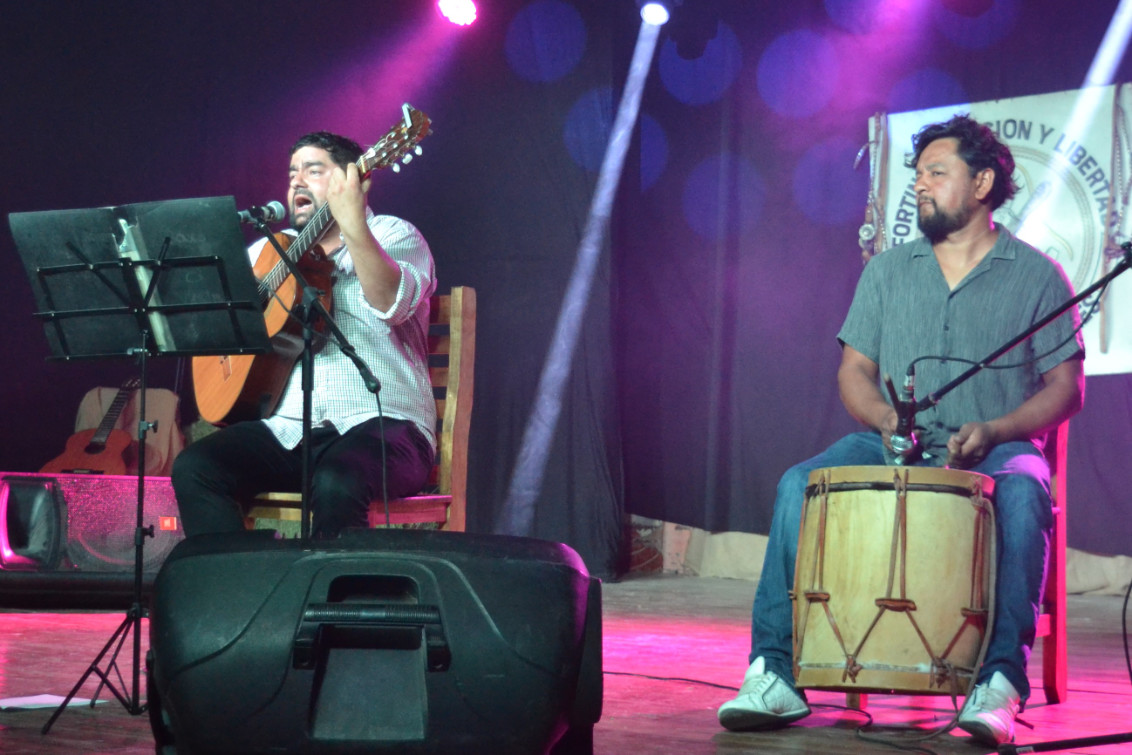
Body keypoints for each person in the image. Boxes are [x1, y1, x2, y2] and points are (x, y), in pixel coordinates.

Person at [717, 114, 1085, 747]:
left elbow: (1066, 388)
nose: (920, 186)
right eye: (917, 175)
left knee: (1026, 491)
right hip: (894, 446)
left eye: (937, 173)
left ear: (982, 183)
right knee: (798, 483)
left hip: (996, 451)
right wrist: (885, 418)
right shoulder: (887, 272)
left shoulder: (1037, 275)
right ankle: (774, 673)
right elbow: (853, 372)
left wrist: (998, 429)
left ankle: (999, 685)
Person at [172, 131, 437, 539]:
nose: (296, 181)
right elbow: (217, 329)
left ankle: (331, 603)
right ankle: (237, 593)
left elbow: (391, 303)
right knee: (197, 467)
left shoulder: (393, 234)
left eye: (313, 171)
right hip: (290, 426)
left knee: (337, 478)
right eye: (292, 172)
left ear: (352, 179)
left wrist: (353, 226)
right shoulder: (269, 252)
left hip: (384, 426)